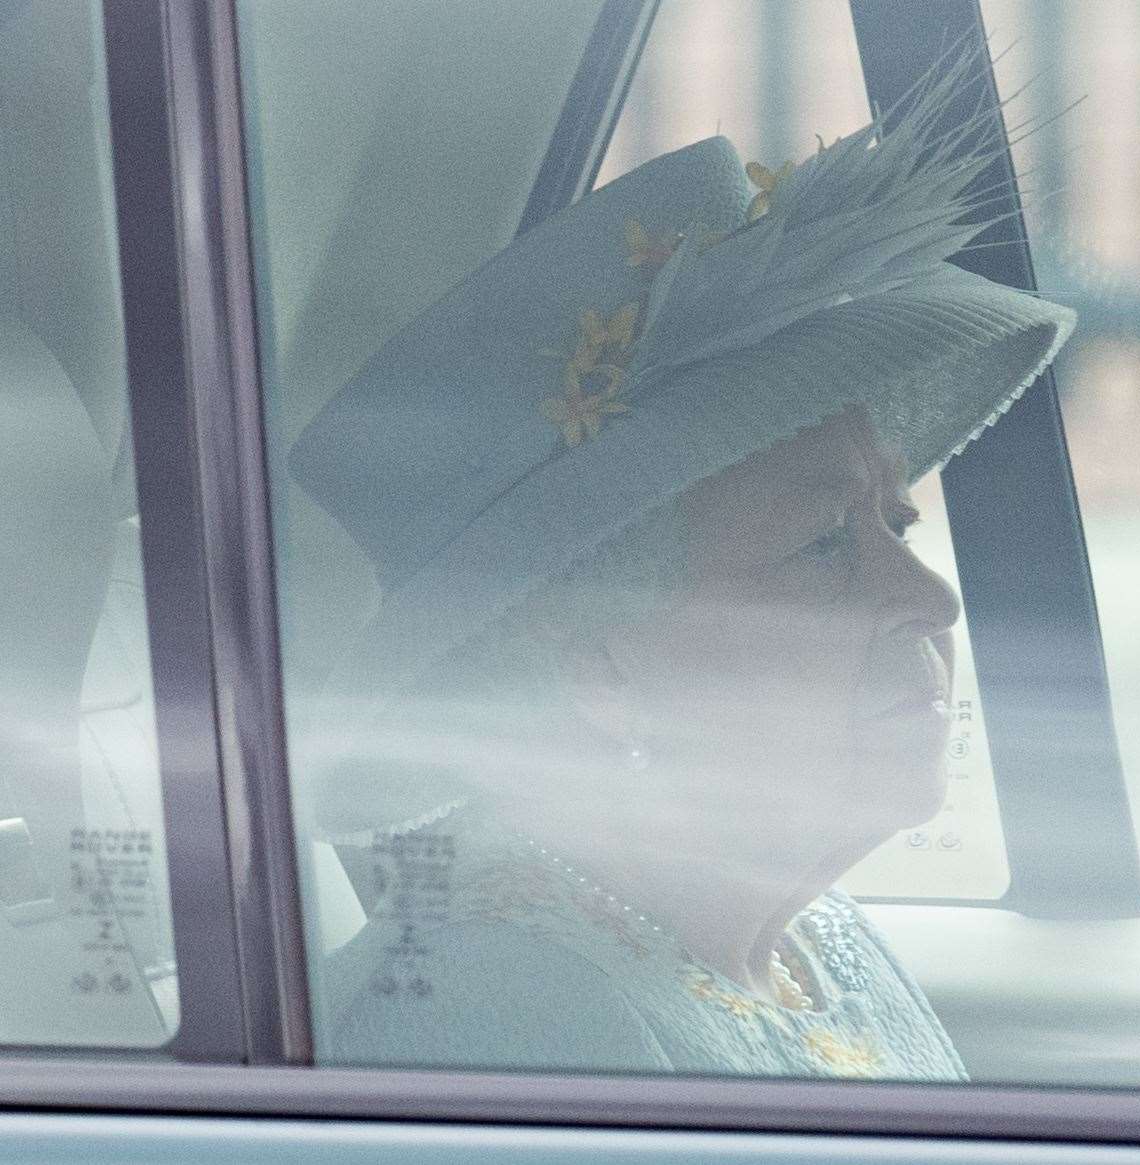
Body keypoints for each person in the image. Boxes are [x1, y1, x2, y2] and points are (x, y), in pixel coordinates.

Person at [293, 57, 1074, 1079]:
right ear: (599, 670)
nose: (930, 599)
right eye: (823, 544)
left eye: (896, 522)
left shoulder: (811, 940)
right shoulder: (499, 1020)